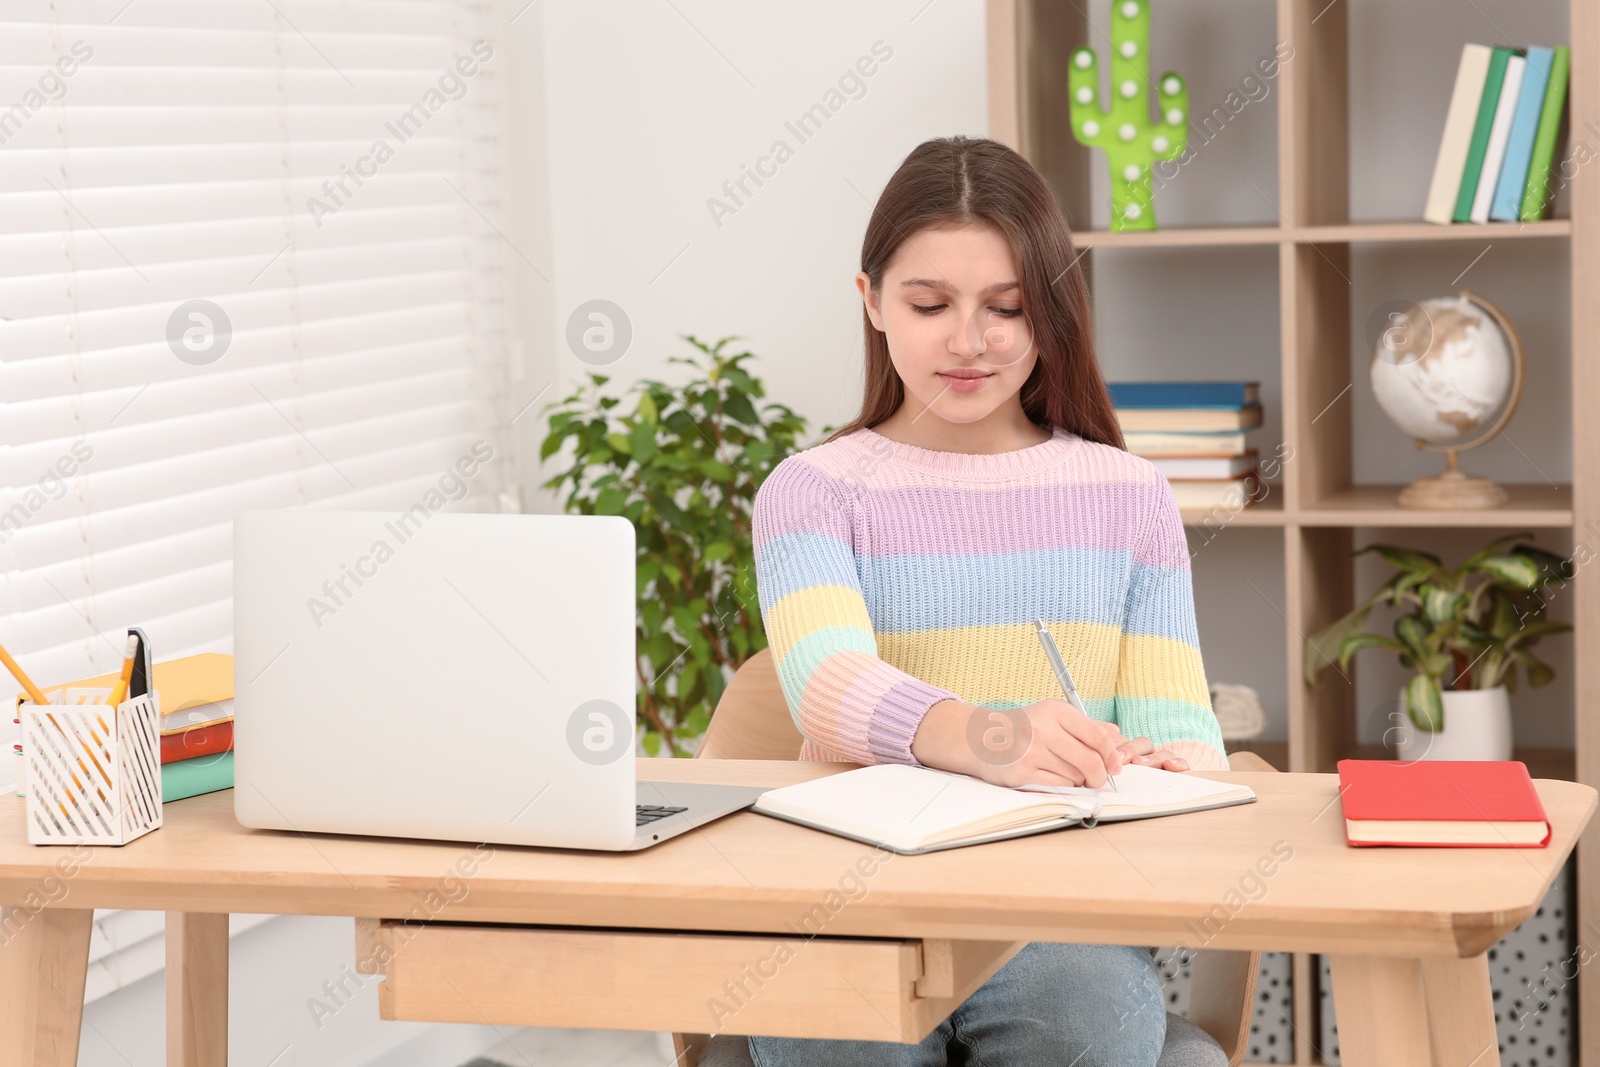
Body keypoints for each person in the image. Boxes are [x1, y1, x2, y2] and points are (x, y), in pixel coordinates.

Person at [739, 135, 1230, 1067]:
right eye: (930, 304)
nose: (969, 340)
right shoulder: (811, 492)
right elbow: (826, 687)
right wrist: (996, 736)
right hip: (855, 897)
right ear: (872, 301)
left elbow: (1188, 736)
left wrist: (1164, 769)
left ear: (1051, 316)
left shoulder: (1128, 494)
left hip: (1061, 908)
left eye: (1006, 307)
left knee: (1084, 1023)